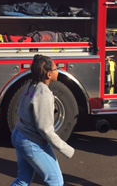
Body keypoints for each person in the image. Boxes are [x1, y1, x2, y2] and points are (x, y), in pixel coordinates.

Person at [11, 54, 75, 186]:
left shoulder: (30, 86)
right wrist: (66, 148)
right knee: (56, 181)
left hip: (19, 135)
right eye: (55, 68)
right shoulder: (44, 94)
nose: (58, 71)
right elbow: (45, 130)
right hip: (31, 142)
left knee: (23, 179)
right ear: (48, 74)